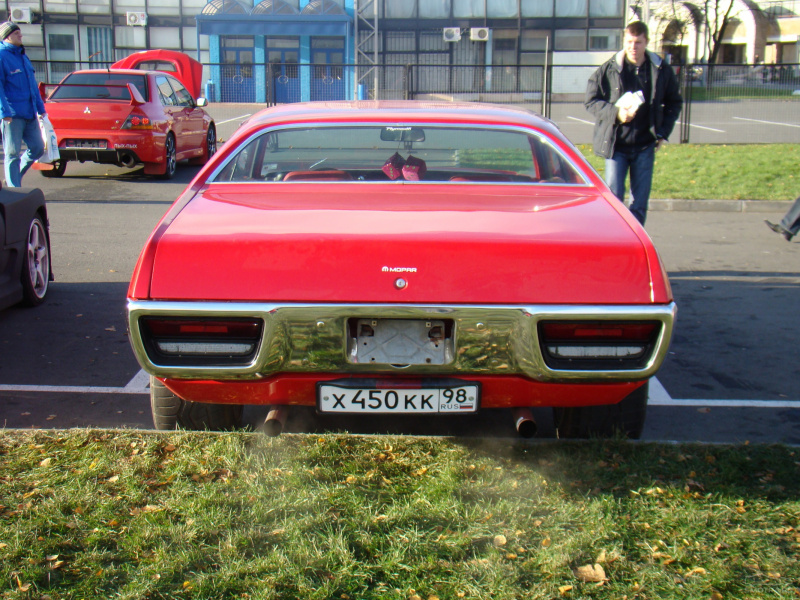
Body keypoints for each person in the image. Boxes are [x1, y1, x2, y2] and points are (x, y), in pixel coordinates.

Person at [585, 21, 683, 225]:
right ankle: (615, 241)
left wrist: (663, 132)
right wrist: (616, 113)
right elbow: (591, 101)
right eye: (629, 41)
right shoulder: (609, 69)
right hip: (616, 146)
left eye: (638, 42)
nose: (633, 47)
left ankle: (636, 245)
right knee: (614, 201)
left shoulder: (660, 70)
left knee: (639, 203)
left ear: (646, 42)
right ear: (624, 41)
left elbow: (674, 102)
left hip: (645, 145)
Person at [0, 21, 46, 187]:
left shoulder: (22, 56)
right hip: (12, 115)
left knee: (38, 148)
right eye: (16, 33)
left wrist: (41, 109)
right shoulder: (2, 56)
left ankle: (14, 178)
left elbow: (33, 86)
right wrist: (4, 112)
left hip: (29, 112)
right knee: (12, 153)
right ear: (6, 36)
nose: (21, 35)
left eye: (20, 32)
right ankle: (14, 190)